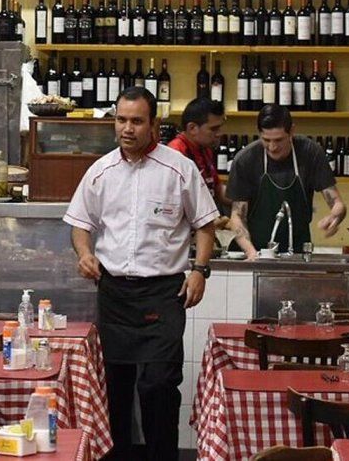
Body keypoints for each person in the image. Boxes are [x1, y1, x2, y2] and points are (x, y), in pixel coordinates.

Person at [64, 87, 217, 461]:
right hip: (114, 292)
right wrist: (85, 254)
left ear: (154, 125)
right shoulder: (100, 171)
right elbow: (80, 225)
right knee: (115, 388)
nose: (127, 129)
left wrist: (199, 270)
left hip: (164, 293)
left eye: (136, 121)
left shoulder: (178, 168)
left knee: (159, 385)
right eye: (121, 120)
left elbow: (206, 225)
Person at [226, 105, 345, 259]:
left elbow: (337, 203)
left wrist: (335, 217)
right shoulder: (245, 160)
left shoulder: (310, 153)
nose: (272, 147)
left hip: (297, 252)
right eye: (266, 140)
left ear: (292, 131)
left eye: (278, 140)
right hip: (254, 251)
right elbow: (237, 216)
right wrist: (251, 253)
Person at [167, 97, 230, 212]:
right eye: (214, 129)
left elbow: (217, 189)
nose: (219, 134)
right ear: (192, 128)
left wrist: (244, 199)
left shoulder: (205, 148)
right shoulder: (175, 154)